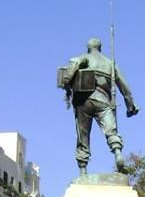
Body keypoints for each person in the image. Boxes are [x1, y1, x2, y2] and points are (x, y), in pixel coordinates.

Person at [59, 37, 139, 174]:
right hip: (103, 99)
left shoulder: (85, 57)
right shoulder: (110, 63)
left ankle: (83, 170)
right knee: (111, 131)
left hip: (84, 101)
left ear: (88, 48)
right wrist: (130, 105)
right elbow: (124, 85)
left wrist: (67, 81)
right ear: (100, 48)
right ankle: (118, 153)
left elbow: (74, 62)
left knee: (83, 134)